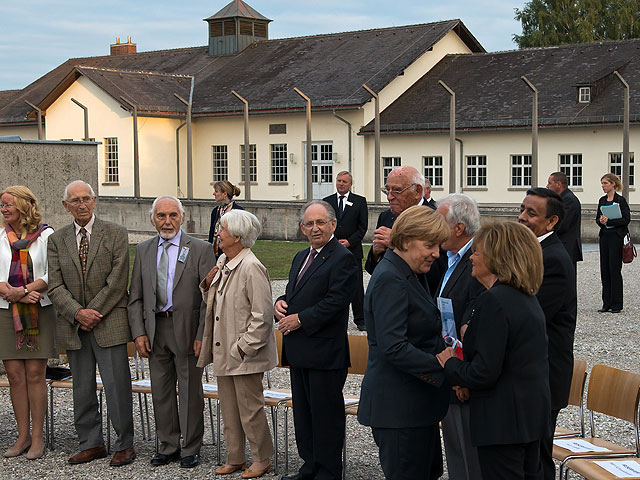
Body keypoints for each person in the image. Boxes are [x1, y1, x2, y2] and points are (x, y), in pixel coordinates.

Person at [437, 222, 551, 480]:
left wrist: (451, 364)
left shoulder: (496, 301)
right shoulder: (521, 297)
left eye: (477, 251)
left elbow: (484, 372)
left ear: (498, 256)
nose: (472, 257)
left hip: (504, 423)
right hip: (527, 417)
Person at [358, 205, 451, 480]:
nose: (436, 253)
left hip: (416, 406)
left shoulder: (409, 271)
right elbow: (393, 346)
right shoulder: (391, 278)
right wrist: (438, 363)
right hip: (398, 409)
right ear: (407, 240)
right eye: (430, 245)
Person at [47, 180, 135, 466]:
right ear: (66, 206)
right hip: (74, 326)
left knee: (117, 386)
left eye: (86, 199)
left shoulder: (116, 233)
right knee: (82, 388)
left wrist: (92, 312)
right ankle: (91, 443)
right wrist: (77, 313)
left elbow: (118, 279)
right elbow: (55, 285)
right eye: (75, 200)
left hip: (109, 321)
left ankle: (125, 444)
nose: (81, 205)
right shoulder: (57, 240)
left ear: (94, 201)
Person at [128, 195, 215, 468]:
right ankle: (168, 445)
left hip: (188, 330)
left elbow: (208, 299)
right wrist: (139, 332)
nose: (167, 221)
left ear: (183, 218)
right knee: (161, 391)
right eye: (161, 216)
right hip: (156, 328)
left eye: (173, 215)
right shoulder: (143, 250)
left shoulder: (200, 249)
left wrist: (202, 334)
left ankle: (190, 447)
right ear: (151, 219)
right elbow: (136, 297)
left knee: (190, 391)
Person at [275, 200, 357, 480]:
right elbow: (294, 294)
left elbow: (335, 302)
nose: (315, 228)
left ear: (333, 225)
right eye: (309, 223)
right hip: (299, 351)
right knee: (305, 416)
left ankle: (328, 472)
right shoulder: (301, 257)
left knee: (325, 418)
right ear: (302, 228)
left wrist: (300, 319)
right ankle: (309, 466)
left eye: (320, 222)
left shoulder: (342, 257)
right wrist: (280, 303)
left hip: (324, 353)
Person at [197, 209, 277, 479]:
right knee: (229, 407)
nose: (218, 233)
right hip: (224, 350)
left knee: (250, 409)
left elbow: (263, 317)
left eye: (223, 229)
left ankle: (261, 458)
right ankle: (235, 457)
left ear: (239, 236)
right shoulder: (224, 261)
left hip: (243, 354)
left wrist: (243, 347)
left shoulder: (251, 267)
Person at [518, 187, 577, 480]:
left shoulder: (552, 258)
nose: (522, 217)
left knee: (537, 458)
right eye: (522, 209)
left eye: (531, 213)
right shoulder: (532, 250)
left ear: (552, 222)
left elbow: (531, 317)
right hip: (530, 374)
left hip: (544, 375)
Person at [0, 186, 55, 460]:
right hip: (5, 311)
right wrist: (9, 292)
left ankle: (37, 438)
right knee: (14, 376)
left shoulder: (45, 235)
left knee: (35, 375)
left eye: (9, 204)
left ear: (24, 205)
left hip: (38, 310)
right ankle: (21, 437)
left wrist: (22, 291)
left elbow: (52, 273)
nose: (4, 209)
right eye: (2, 205)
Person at [435, 193, 485, 480]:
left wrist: (461, 376)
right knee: (456, 453)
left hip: (464, 376)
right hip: (450, 365)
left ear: (458, 228)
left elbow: (473, 323)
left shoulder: (477, 260)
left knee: (470, 460)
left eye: (438, 221)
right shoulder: (450, 257)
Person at [364, 166, 445, 295]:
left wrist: (397, 243)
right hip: (389, 294)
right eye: (387, 190)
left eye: (397, 190)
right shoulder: (386, 217)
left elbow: (440, 270)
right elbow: (372, 268)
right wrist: (375, 253)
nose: (389, 197)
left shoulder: (435, 218)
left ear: (417, 191)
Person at [323, 171, 368, 331]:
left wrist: (349, 242)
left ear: (350, 184)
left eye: (344, 182)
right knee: (330, 285)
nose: (341, 184)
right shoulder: (327, 202)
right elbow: (324, 224)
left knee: (356, 288)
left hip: (352, 251)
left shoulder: (359, 201)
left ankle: (361, 320)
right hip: (332, 250)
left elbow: (363, 227)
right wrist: (334, 242)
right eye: (339, 181)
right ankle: (329, 317)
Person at [596, 173, 630, 313]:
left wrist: (610, 221)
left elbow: (626, 219)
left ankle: (616, 304)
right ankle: (606, 303)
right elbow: (597, 218)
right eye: (602, 183)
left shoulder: (620, 200)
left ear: (613, 184)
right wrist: (602, 221)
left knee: (614, 269)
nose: (603, 186)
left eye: (605, 183)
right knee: (604, 270)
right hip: (605, 237)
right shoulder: (602, 200)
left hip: (616, 237)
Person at [546, 172, 583, 268]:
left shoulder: (568, 200)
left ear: (558, 184)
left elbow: (562, 224)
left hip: (566, 246)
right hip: (561, 246)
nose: (547, 186)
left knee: (566, 278)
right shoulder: (560, 199)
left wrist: (545, 229)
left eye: (550, 183)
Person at [208, 180, 243, 258]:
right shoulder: (215, 211)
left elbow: (241, 235)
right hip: (216, 254)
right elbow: (211, 233)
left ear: (224, 194)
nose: (214, 194)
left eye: (216, 191)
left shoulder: (238, 211)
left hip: (232, 253)